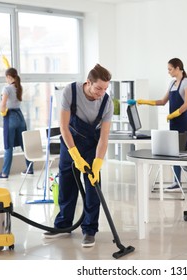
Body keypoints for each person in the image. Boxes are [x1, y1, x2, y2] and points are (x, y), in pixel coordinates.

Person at [42, 64, 113, 248]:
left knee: (92, 187)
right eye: (98, 88)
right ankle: (63, 225)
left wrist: (97, 163)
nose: (101, 93)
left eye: (105, 89)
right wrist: (75, 155)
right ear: (88, 82)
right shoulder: (71, 91)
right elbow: (64, 127)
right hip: (70, 141)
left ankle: (89, 230)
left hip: (92, 145)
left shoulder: (107, 103)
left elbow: (104, 138)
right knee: (67, 183)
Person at [133, 58, 187, 194]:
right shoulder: (171, 84)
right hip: (175, 122)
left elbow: (186, 104)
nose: (168, 72)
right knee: (174, 151)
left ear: (177, 68)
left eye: (170, 69)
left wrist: (173, 114)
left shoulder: (186, 82)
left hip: (185, 121)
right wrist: (144, 101)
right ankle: (176, 182)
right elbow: (163, 101)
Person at [0, 67, 33, 181]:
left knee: (8, 146)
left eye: (6, 77)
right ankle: (30, 169)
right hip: (20, 117)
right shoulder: (19, 87)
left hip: (10, 117)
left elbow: (3, 104)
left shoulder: (6, 89)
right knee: (24, 144)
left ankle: (4, 174)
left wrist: (2, 112)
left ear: (9, 77)